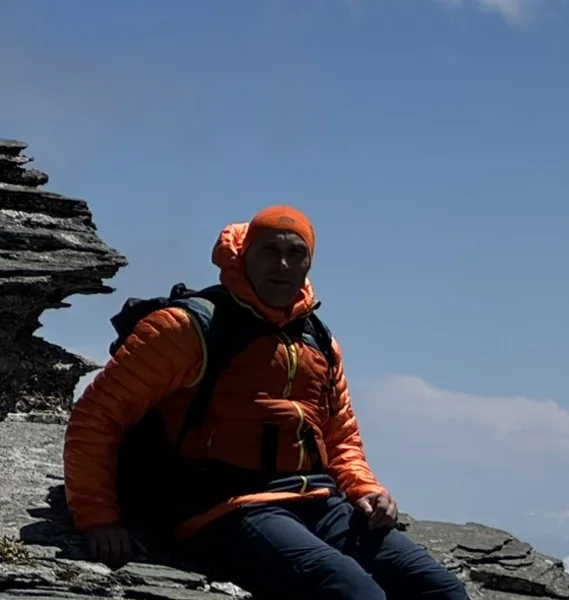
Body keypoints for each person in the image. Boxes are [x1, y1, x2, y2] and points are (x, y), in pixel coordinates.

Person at [62, 206, 469, 600]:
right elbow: (97, 417)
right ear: (245, 254)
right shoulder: (188, 328)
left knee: (440, 590)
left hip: (315, 499)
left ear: (309, 263)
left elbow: (339, 436)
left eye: (297, 254)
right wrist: (99, 519)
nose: (283, 265)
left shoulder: (318, 341)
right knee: (353, 593)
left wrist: (364, 488)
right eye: (270, 251)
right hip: (221, 507)